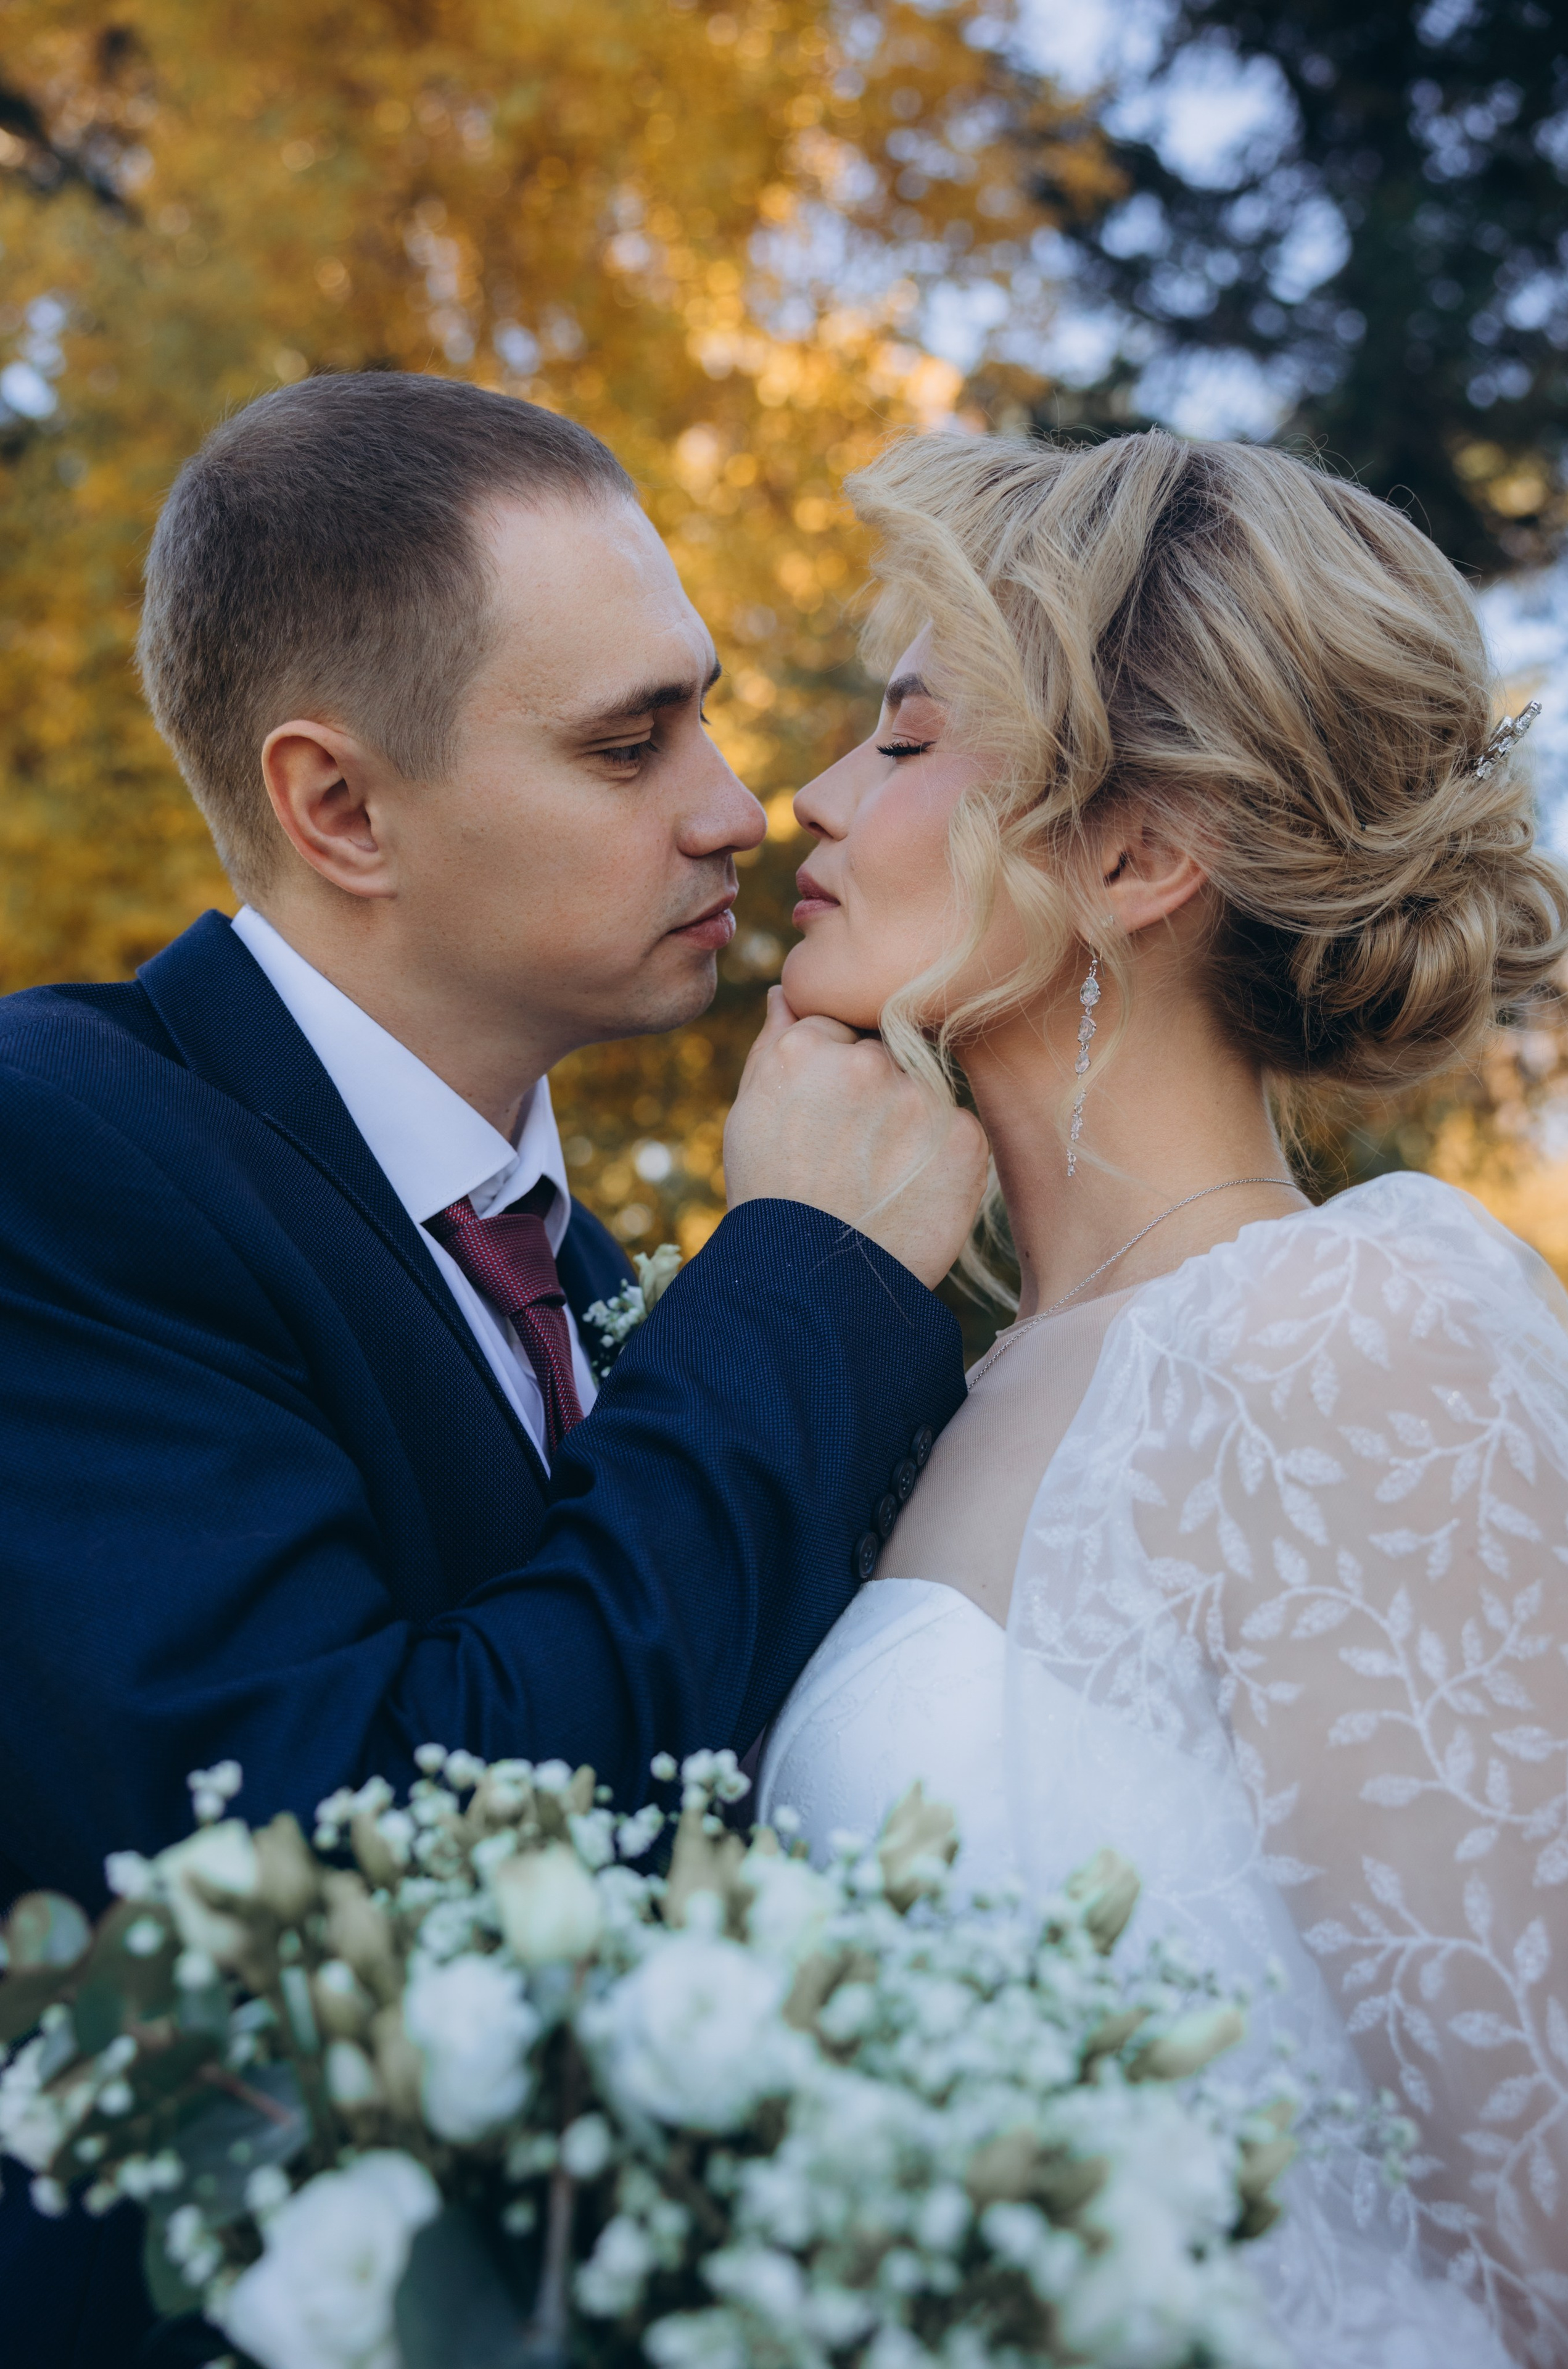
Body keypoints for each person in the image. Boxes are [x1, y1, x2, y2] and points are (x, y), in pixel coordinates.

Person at [0, 373, 988, 2365]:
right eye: (631, 745)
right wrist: (801, 1282)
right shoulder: (53, 1151)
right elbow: (346, 1849)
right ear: (338, 806)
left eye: (702, 710)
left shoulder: (585, 1280)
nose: (735, 802)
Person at [760, 429, 1568, 2368]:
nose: (807, 798)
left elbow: (1546, 2228)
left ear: (1134, 852)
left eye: (900, 742)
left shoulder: (1356, 1335)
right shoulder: (940, 1384)